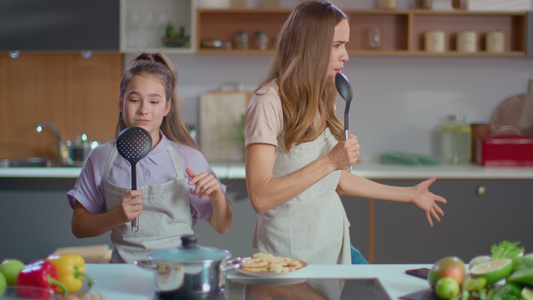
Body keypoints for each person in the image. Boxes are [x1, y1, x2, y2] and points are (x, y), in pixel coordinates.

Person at [244, 1, 446, 266]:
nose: (345, 55)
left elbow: (339, 181)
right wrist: (330, 161)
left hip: (333, 242)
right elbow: (260, 197)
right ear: (312, 46)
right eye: (337, 45)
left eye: (345, 45)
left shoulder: (324, 96)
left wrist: (410, 194)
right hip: (289, 253)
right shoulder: (268, 102)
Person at [67, 53, 232, 263]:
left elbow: (223, 225)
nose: (144, 109)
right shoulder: (101, 157)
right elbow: (79, 227)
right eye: (134, 100)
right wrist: (117, 216)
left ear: (166, 107)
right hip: (123, 273)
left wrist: (217, 196)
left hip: (178, 273)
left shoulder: (189, 158)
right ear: (121, 103)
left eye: (154, 101)